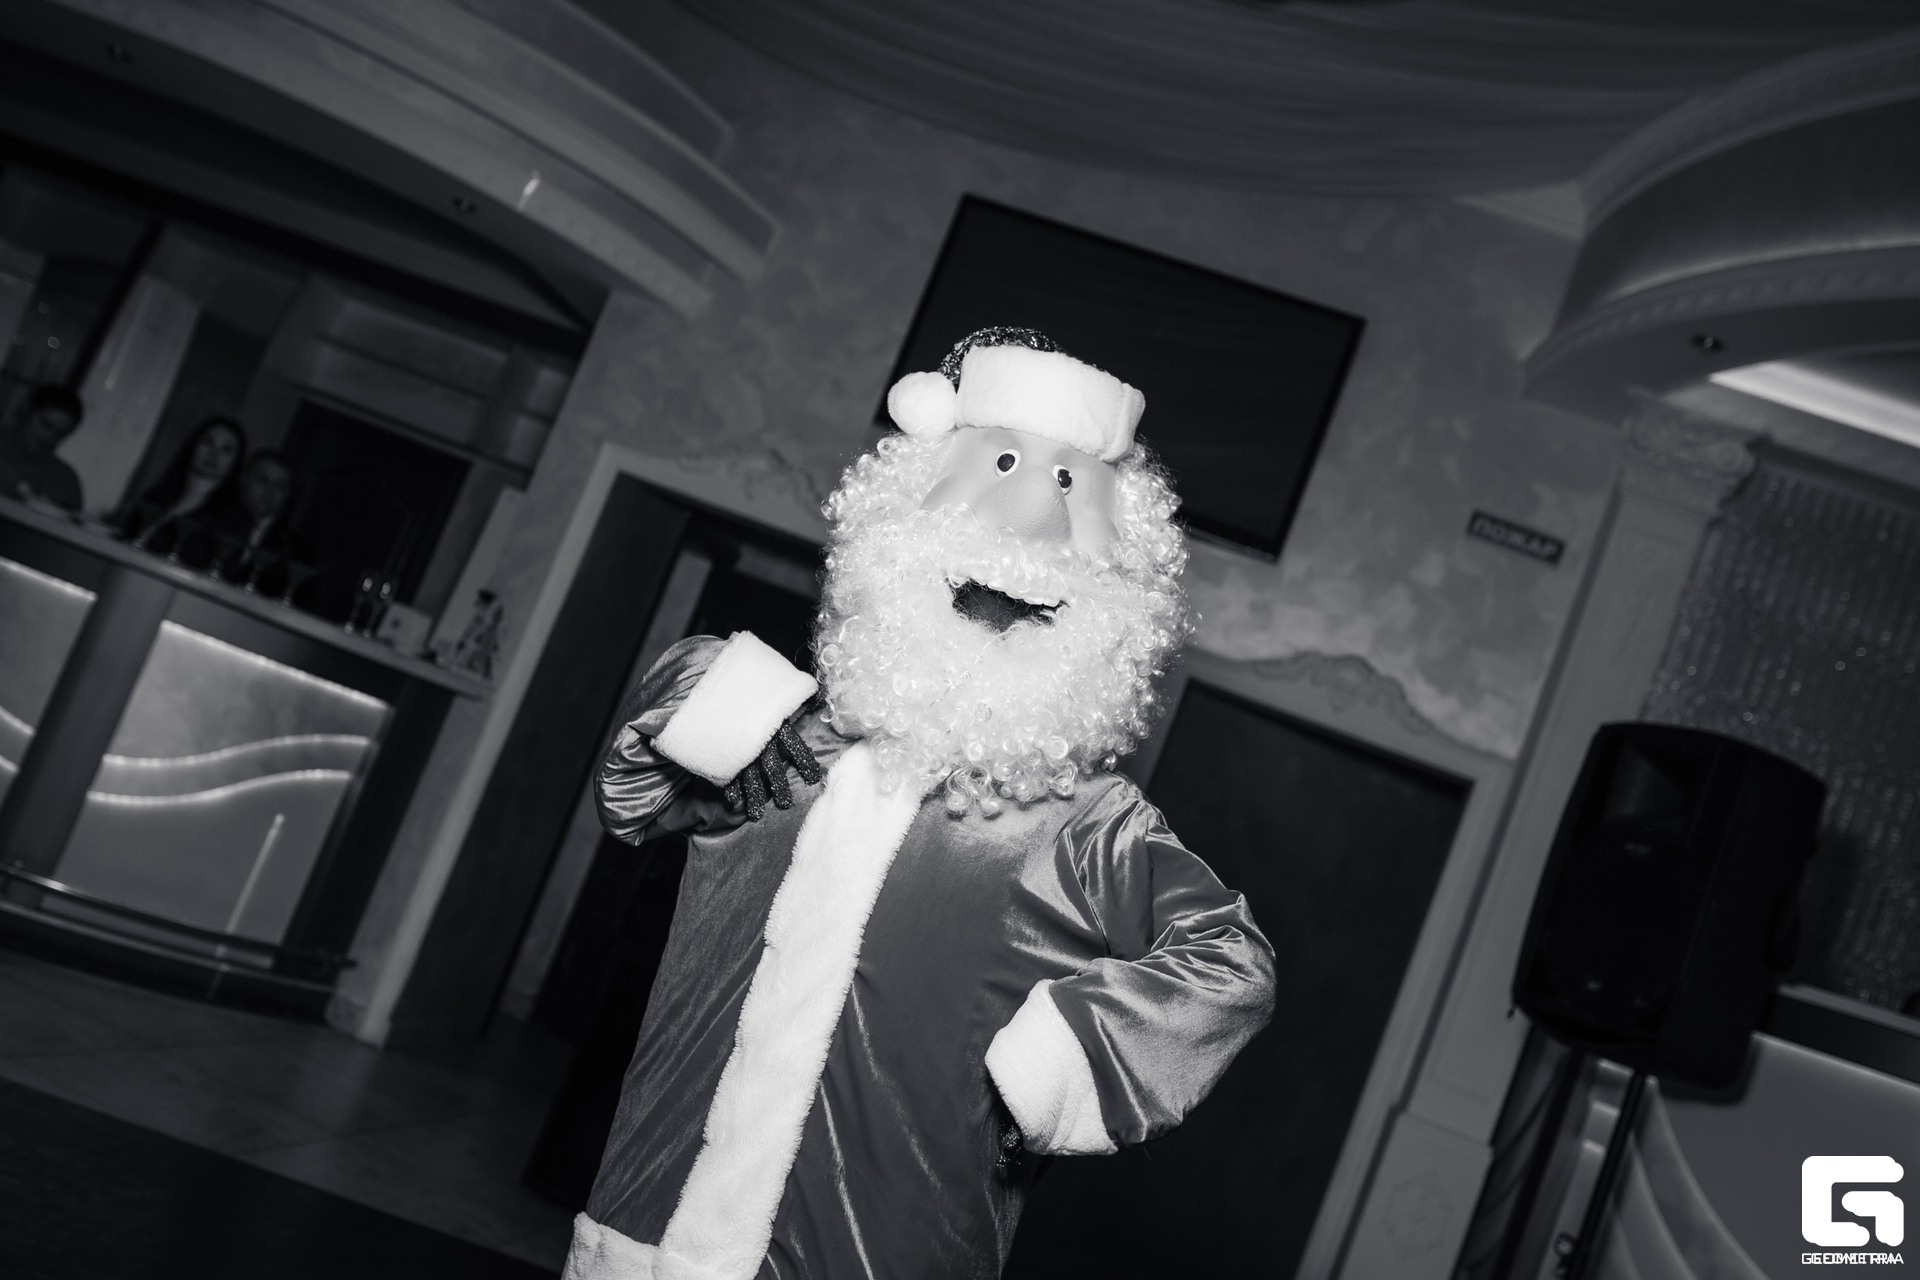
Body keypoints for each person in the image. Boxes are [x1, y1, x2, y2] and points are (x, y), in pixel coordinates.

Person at [565, 328, 1277, 1280]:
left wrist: (1062, 1067)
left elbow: (1228, 963)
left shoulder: (1089, 825)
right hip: (647, 1227)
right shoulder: (786, 740)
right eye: (1002, 471)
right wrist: (718, 698)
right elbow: (632, 791)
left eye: (1067, 491)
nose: (1026, 530)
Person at [120, 416, 247, 558]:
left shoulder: (233, 519)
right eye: (208, 442)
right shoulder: (156, 496)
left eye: (226, 450)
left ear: (236, 461)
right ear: (192, 445)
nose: (214, 454)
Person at [212, 448, 313, 593]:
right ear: (244, 479)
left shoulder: (295, 551)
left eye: (279, 486)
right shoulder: (211, 520)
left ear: (288, 493)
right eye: (262, 480)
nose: (269, 492)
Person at [0, 385, 85, 510]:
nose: (49, 437)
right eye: (45, 424)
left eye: (60, 433)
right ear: (27, 412)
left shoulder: (65, 480)